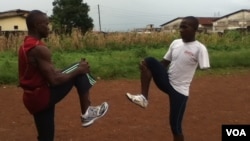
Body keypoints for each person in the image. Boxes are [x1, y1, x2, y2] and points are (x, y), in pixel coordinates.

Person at [18, 10, 109, 141]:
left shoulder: (26, 45)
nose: (49, 27)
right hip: (41, 96)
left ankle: (87, 111)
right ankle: (87, 112)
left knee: (46, 138)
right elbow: (54, 80)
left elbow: (49, 73)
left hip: (32, 97)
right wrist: (78, 70)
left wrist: (75, 69)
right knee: (80, 71)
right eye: (46, 24)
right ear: (37, 25)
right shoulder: (39, 48)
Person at [126, 16, 210, 141]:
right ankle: (143, 98)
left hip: (179, 92)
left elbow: (205, 67)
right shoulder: (175, 43)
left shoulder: (200, 48)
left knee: (175, 126)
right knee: (148, 60)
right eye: (180, 27)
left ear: (194, 29)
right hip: (166, 81)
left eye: (184, 27)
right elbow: (164, 63)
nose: (181, 30)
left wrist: (186, 70)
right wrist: (148, 69)